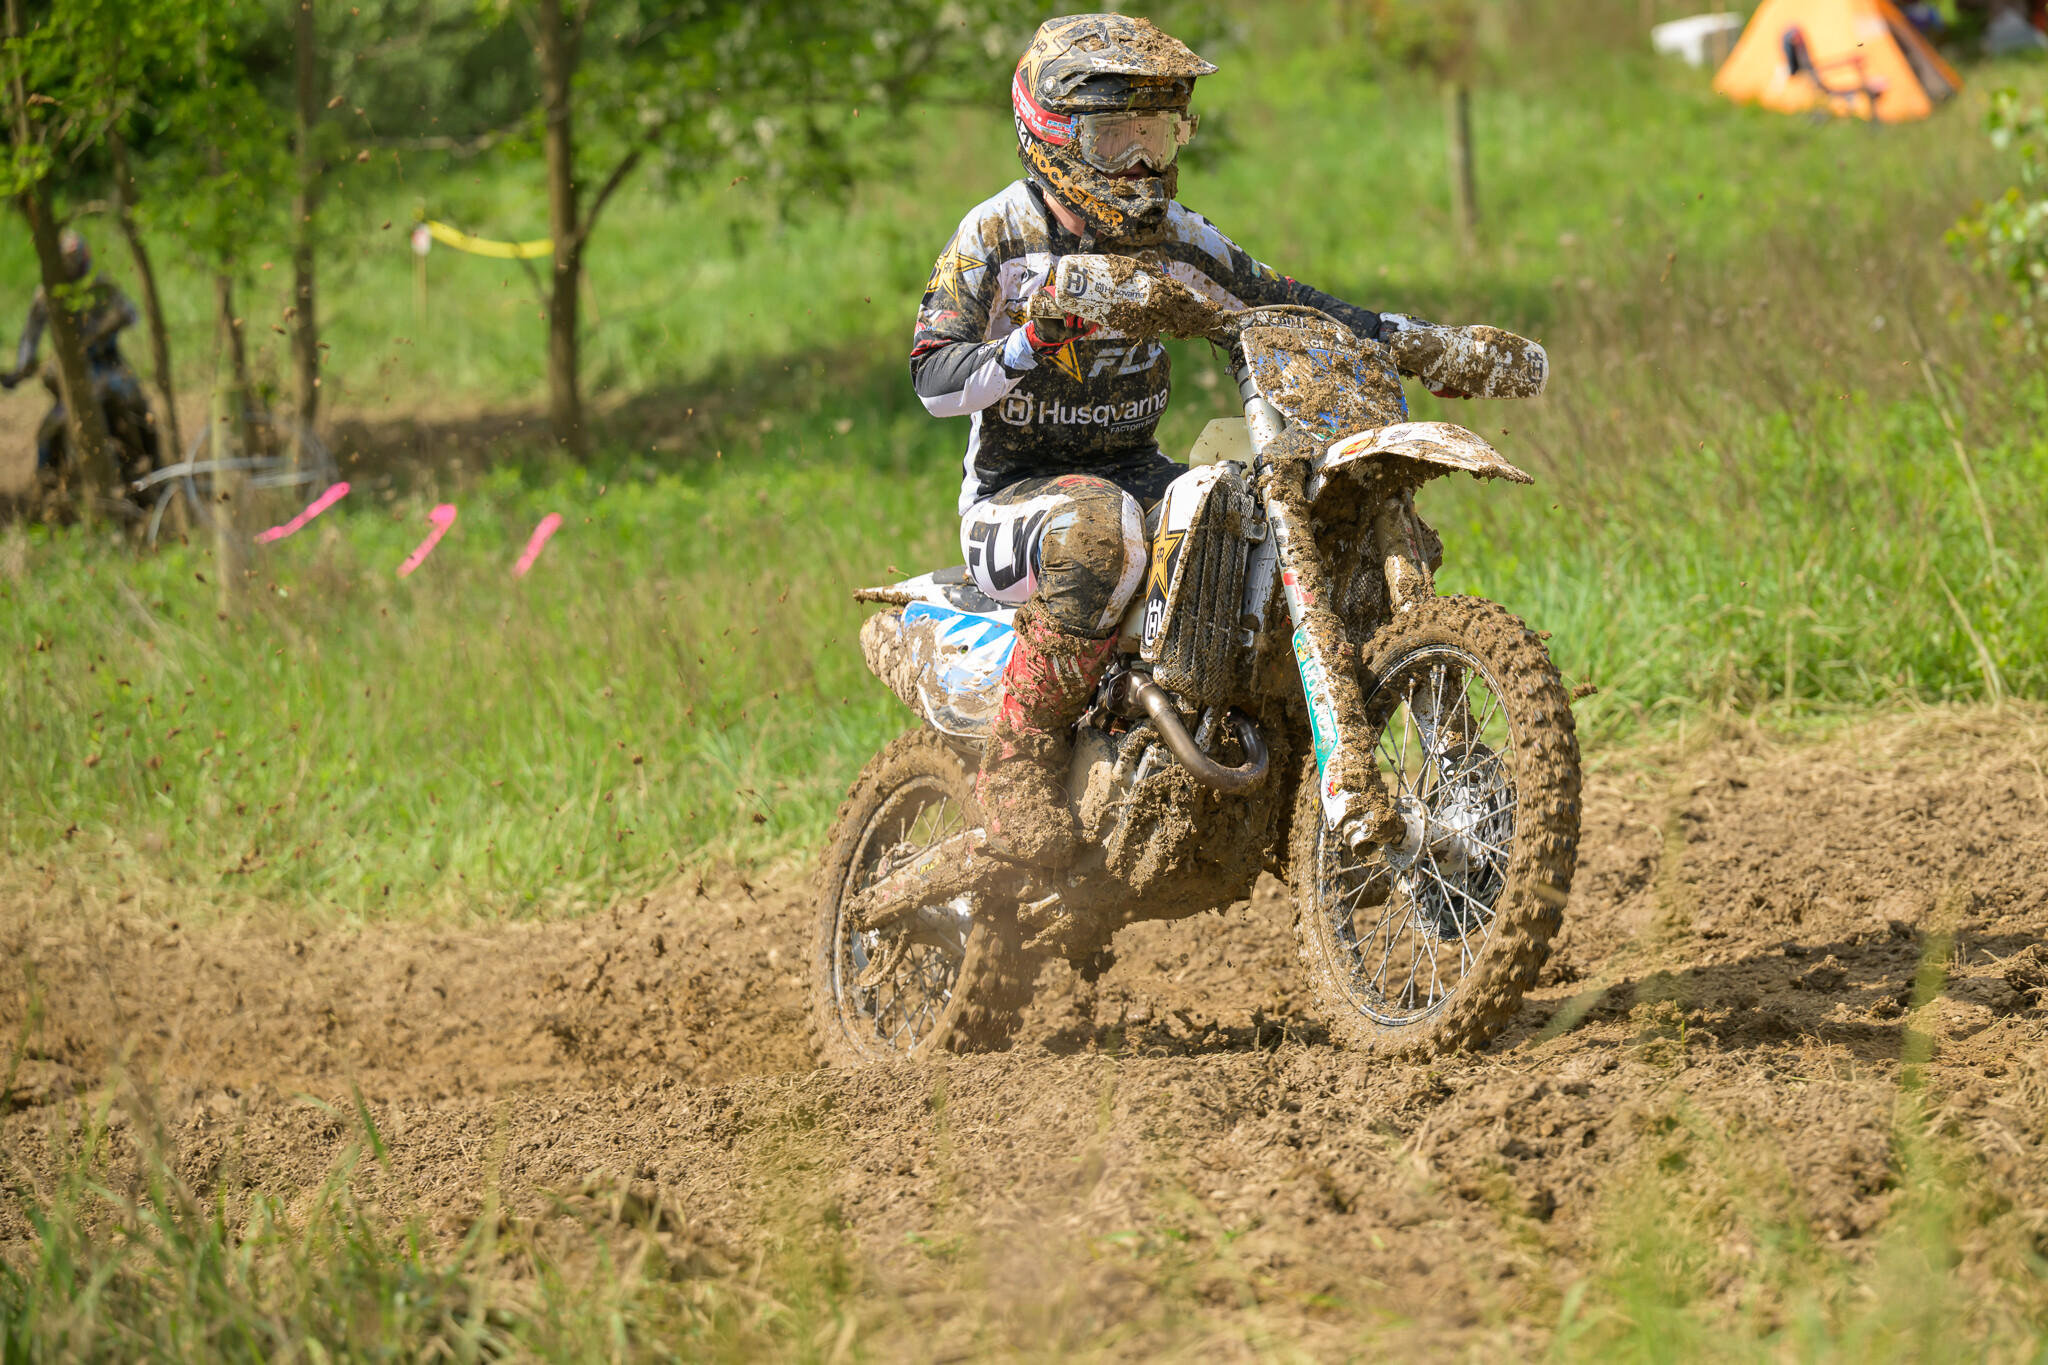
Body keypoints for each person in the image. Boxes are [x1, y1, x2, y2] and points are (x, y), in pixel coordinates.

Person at [910, 13, 1456, 863]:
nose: (1141, 162)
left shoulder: (1177, 236)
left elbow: (1285, 298)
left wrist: (1420, 340)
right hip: (1015, 496)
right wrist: (1031, 338)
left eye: (1158, 133)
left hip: (1137, 466)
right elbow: (933, 377)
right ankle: (1015, 766)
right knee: (1099, 535)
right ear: (1054, 133)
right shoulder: (997, 234)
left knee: (1253, 522)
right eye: (1116, 135)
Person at [2, 228, 157, 477]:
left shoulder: (101, 285)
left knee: (138, 408)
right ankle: (48, 481)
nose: (71, 265)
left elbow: (131, 313)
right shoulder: (46, 294)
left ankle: (152, 464)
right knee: (48, 431)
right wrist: (21, 370)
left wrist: (106, 326)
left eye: (74, 258)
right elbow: (30, 337)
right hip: (73, 373)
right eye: (65, 259)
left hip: (108, 364)